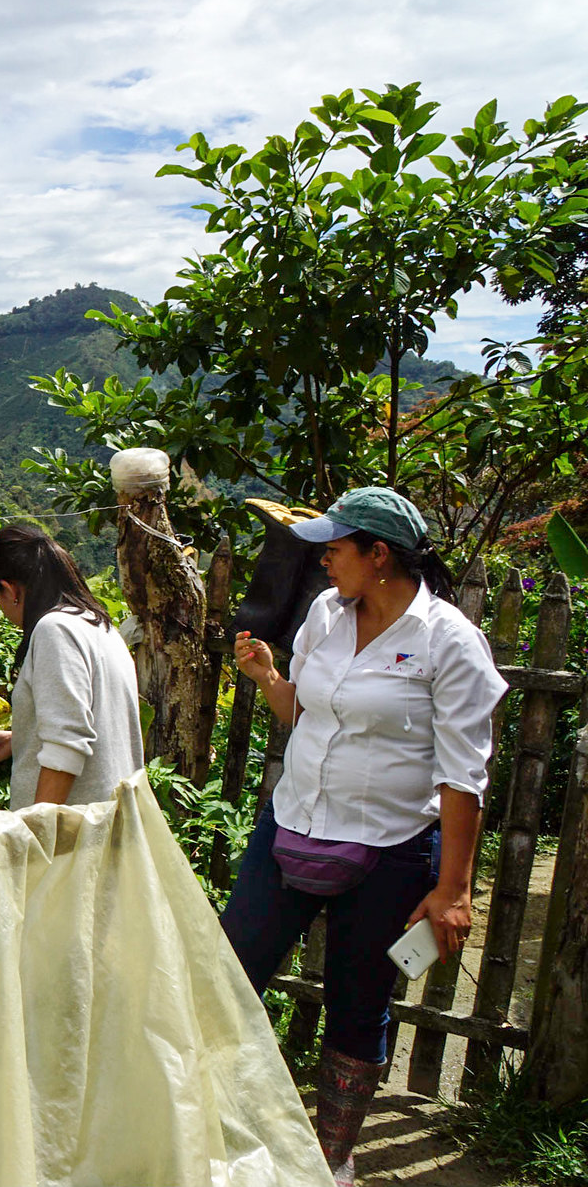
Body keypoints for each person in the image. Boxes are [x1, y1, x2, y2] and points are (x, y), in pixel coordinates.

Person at [222, 486, 502, 1186]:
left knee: (358, 1003)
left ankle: (332, 1159)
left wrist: (453, 890)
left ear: (380, 556)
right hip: (291, 828)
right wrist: (267, 678)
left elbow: (463, 777)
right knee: (227, 973)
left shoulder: (450, 644)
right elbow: (306, 713)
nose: (324, 563)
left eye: (336, 549)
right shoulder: (326, 613)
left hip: (387, 853)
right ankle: (213, 1123)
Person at [0, 522, 142, 807]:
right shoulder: (98, 624)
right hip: (109, 822)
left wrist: (38, 835)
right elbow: (91, 724)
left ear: (11, 590)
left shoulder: (55, 630)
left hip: (73, 837)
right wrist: (17, 740)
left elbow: (66, 748)